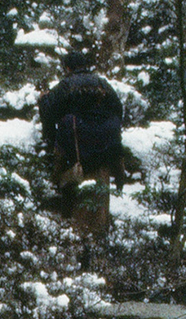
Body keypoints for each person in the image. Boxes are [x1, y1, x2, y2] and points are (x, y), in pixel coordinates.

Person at [37, 49, 126, 231]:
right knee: (99, 194)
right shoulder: (103, 84)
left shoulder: (67, 84)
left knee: (70, 184)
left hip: (78, 143)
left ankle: (66, 211)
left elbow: (49, 112)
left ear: (68, 68)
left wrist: (43, 100)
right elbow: (119, 109)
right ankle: (100, 228)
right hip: (106, 145)